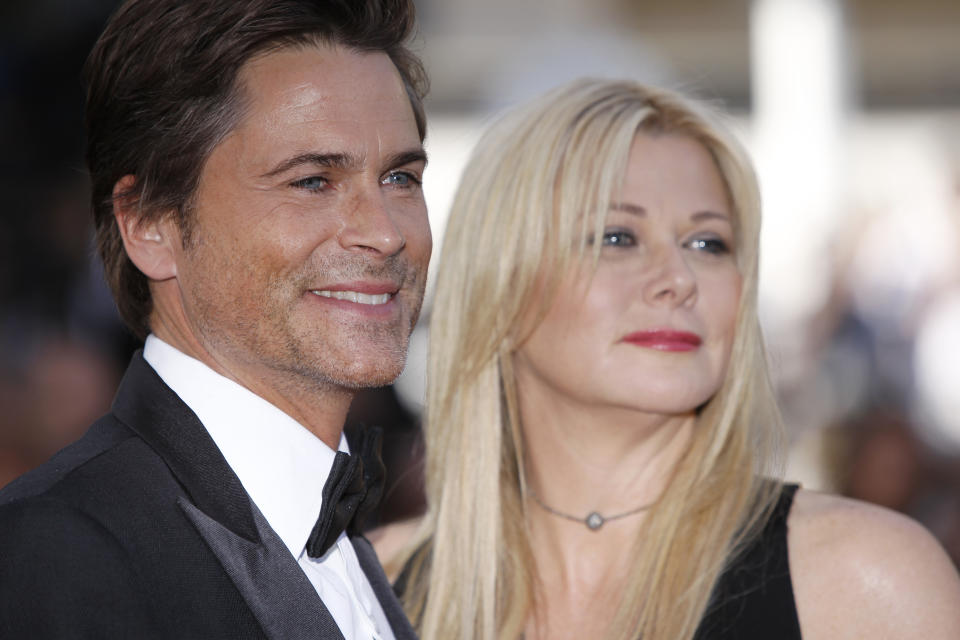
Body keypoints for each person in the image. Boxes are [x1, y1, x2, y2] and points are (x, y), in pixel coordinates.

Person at [371, 79, 960, 639]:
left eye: (708, 244)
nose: (678, 279)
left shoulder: (868, 582)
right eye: (617, 237)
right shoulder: (370, 591)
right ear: (499, 282)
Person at [0, 0, 430, 638]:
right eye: (312, 181)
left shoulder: (348, 544)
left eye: (399, 176)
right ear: (149, 224)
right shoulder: (61, 548)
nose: (385, 232)